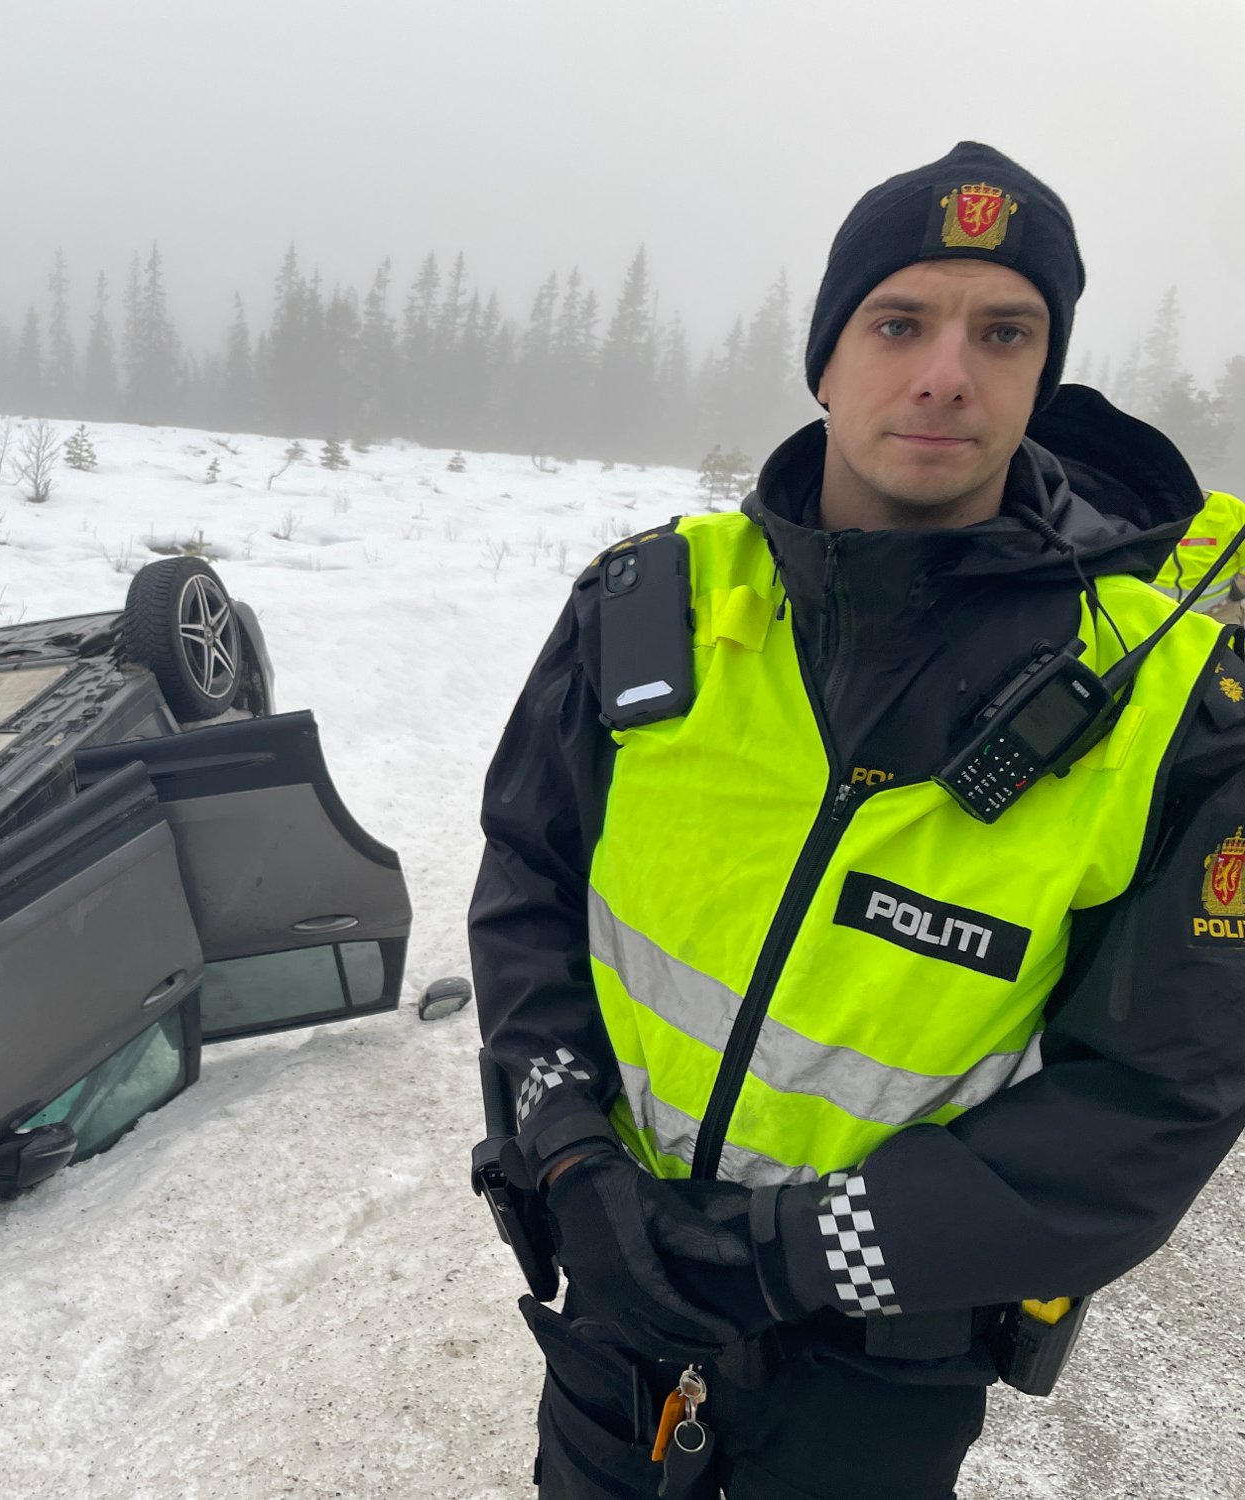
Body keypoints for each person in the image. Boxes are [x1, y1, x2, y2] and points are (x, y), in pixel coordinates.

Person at [470, 140, 1245, 1500]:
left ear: (1043, 374)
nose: (947, 371)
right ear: (825, 358)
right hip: (616, 1305)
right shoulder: (649, 612)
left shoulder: (1175, 708)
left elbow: (1157, 1098)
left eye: (1003, 332)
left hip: (876, 1373)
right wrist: (570, 1150)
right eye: (900, 322)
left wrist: (793, 1253)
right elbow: (530, 889)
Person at [1155, 488, 1245, 622]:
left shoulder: (1229, 509)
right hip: (1158, 615)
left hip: (1218, 614)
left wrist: (1239, 589)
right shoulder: (1143, 508)